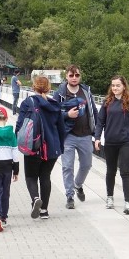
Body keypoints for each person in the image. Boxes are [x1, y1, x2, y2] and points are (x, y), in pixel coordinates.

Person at [95, 75, 129, 215]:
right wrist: (97, 138)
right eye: (113, 85)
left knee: (125, 171)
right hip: (111, 142)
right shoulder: (107, 102)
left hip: (126, 142)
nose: (115, 88)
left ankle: (128, 202)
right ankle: (109, 198)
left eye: (118, 85)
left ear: (124, 86)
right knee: (111, 171)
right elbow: (100, 121)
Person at [15, 75, 65, 220]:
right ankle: (44, 210)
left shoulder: (27, 103)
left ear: (33, 87)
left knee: (31, 176)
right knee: (45, 177)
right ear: (49, 88)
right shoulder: (56, 105)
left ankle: (35, 198)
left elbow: (20, 125)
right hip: (52, 148)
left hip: (33, 146)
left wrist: (18, 140)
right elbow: (61, 129)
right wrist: (60, 146)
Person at [53, 64, 97, 209]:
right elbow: (53, 112)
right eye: (71, 75)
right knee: (67, 167)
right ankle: (69, 196)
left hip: (85, 135)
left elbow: (94, 111)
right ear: (66, 76)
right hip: (68, 136)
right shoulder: (60, 93)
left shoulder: (86, 91)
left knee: (86, 165)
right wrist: (67, 114)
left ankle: (78, 184)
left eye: (77, 75)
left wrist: (97, 133)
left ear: (80, 76)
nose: (74, 78)